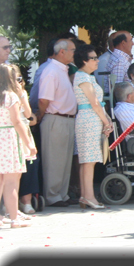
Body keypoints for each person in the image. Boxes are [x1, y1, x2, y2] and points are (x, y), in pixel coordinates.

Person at [37, 37, 77, 206]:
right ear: (62, 52)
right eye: (73, 50)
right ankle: (53, 196)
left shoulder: (61, 69)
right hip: (55, 118)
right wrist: (40, 115)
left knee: (65, 159)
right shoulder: (51, 70)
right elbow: (44, 99)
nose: (75, 53)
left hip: (66, 119)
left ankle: (62, 194)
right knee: (54, 160)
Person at [72, 44, 112, 209]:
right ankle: (89, 196)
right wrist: (106, 121)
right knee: (88, 160)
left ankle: (85, 195)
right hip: (89, 118)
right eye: (93, 58)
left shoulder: (88, 77)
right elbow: (94, 102)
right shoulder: (82, 77)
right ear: (84, 60)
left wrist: (105, 118)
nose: (97, 61)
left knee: (88, 160)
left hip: (91, 118)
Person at [0, 63, 37, 229]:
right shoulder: (11, 97)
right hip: (9, 138)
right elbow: (17, 121)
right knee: (11, 180)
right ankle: (14, 218)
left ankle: (3, 216)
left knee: (1, 180)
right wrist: (29, 143)